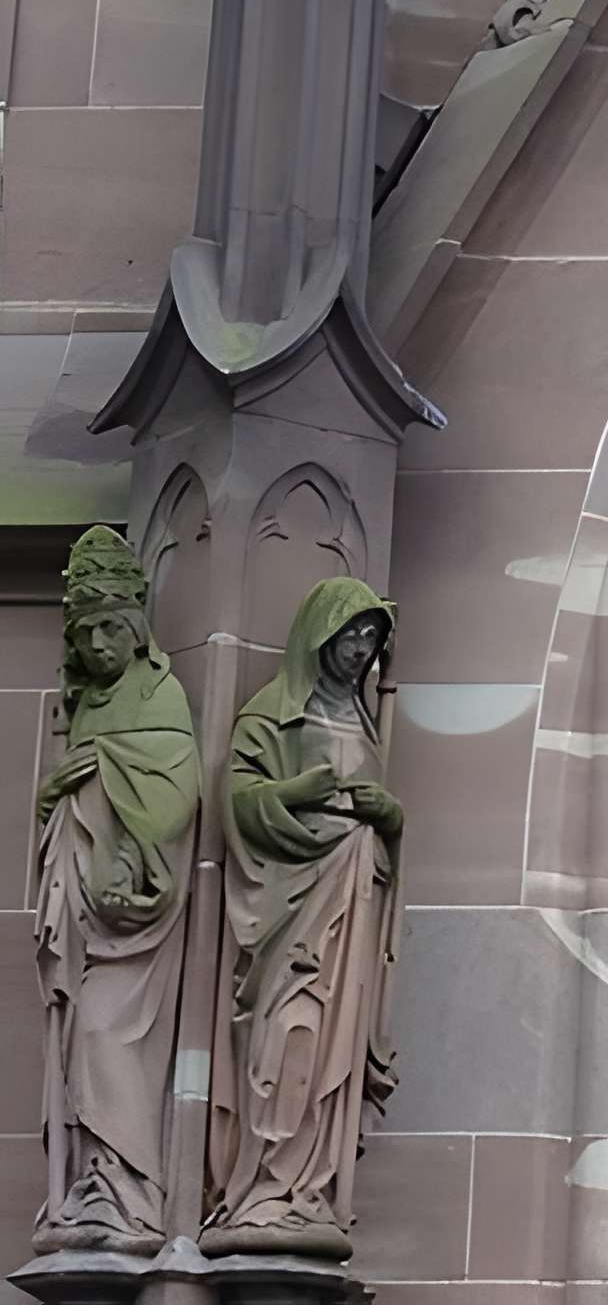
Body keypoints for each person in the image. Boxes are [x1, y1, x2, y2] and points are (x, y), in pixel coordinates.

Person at [208, 581, 408, 1258]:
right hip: (289, 905)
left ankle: (309, 1189)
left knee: (332, 1047)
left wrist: (389, 818)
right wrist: (296, 792)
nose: (360, 650)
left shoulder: (367, 723)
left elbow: (385, 831)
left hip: (351, 905)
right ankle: (264, 1187)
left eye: (371, 639)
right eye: (350, 634)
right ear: (320, 636)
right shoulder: (271, 717)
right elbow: (238, 802)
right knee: (286, 1029)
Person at [31, 529, 195, 1251]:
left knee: (104, 1034)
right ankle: (95, 1183)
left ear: (135, 628)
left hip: (136, 921)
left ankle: (130, 1191)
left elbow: (171, 799)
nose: (97, 644)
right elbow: (64, 811)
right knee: (79, 1041)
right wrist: (52, 796)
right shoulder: (84, 707)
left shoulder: (162, 696)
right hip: (83, 912)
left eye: (109, 628)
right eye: (85, 632)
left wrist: (125, 854)